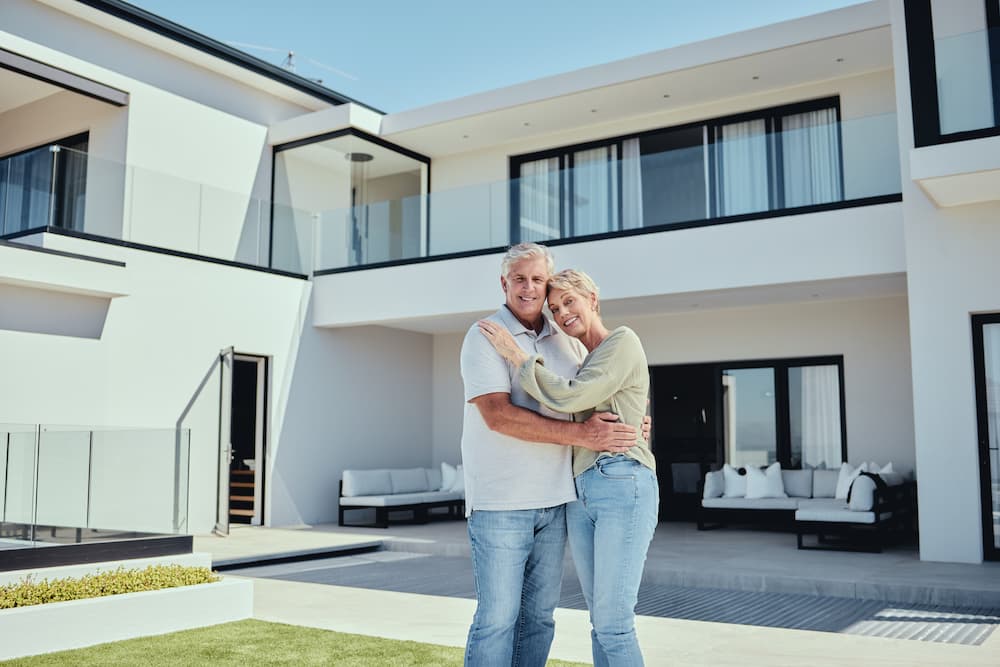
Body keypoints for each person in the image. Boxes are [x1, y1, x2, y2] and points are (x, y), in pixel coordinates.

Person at [460, 243, 646, 667]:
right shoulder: (486, 335)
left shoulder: (567, 340)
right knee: (497, 619)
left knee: (540, 620)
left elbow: (595, 401)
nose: (528, 288)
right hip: (501, 503)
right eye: (519, 279)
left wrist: (635, 425)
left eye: (537, 280)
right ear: (504, 282)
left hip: (559, 501)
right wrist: (581, 433)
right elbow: (498, 416)